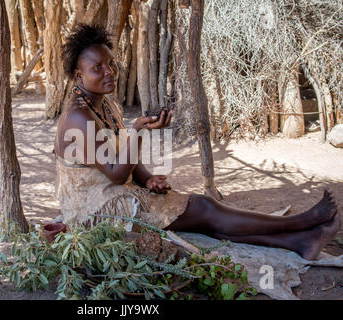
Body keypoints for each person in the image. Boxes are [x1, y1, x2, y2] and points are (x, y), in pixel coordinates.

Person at [54, 24, 340, 261]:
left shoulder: (104, 104)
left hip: (115, 195)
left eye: (111, 63)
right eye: (97, 68)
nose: (109, 72)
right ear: (78, 75)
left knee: (204, 220)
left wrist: (149, 177)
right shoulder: (79, 117)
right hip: (96, 213)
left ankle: (302, 242)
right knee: (205, 209)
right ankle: (302, 222)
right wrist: (140, 131)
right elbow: (116, 174)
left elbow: (120, 159)